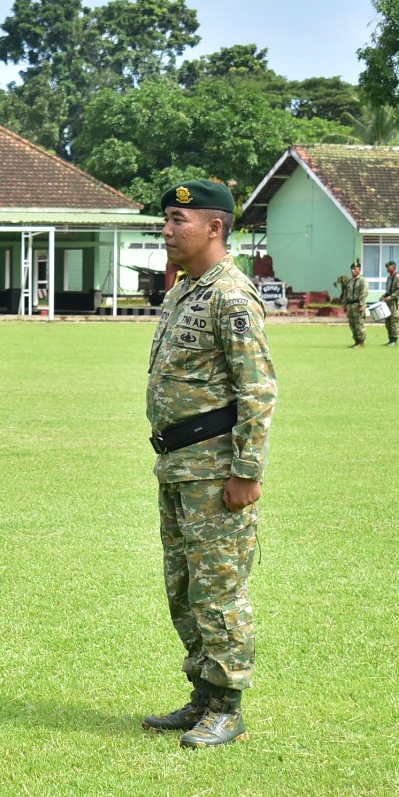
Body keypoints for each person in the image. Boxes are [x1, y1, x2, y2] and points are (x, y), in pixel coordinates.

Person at [141, 180, 276, 749]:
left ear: (214, 227)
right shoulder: (184, 292)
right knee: (183, 587)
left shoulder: (230, 296)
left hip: (216, 471)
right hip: (178, 465)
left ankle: (227, 706)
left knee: (218, 590)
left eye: (179, 220)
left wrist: (247, 472)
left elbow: (258, 390)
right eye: (167, 220)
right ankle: (202, 693)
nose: (167, 230)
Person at [340, 261, 369, 347]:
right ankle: (356, 341)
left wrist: (361, 304)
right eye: (352, 269)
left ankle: (361, 342)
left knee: (359, 323)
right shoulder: (350, 281)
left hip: (357, 304)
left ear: (359, 269)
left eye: (355, 269)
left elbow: (364, 292)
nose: (352, 271)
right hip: (350, 305)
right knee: (352, 324)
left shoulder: (362, 280)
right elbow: (346, 293)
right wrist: (345, 305)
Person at [382, 260, 399, 346]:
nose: (387, 269)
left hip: (394, 303)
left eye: (388, 267)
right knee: (388, 321)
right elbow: (388, 290)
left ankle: (394, 340)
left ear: (393, 267)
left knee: (394, 321)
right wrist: (383, 296)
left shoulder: (398, 277)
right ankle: (390, 339)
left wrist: (390, 297)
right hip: (387, 303)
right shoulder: (389, 278)